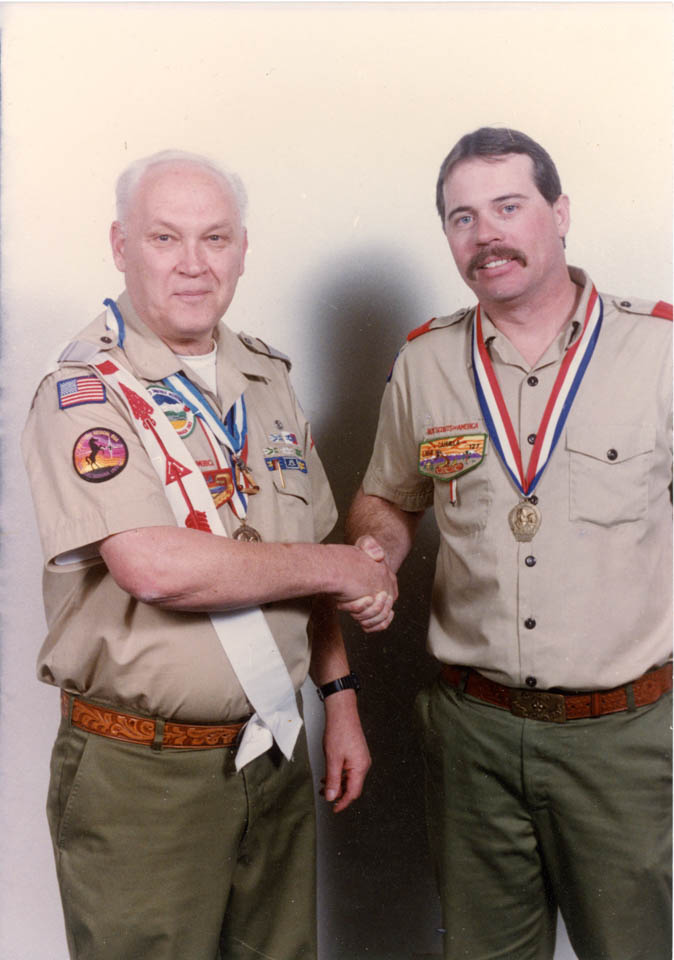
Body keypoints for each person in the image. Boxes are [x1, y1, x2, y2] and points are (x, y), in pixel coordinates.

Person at [22, 149, 397, 960]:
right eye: (165, 238)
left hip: (272, 751)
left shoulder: (266, 379)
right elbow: (156, 567)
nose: (194, 264)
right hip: (141, 772)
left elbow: (309, 552)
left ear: (242, 250)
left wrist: (339, 700)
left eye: (215, 239)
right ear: (121, 247)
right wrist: (343, 568)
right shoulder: (85, 392)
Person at [346, 127, 672, 960]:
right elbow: (386, 495)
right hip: (473, 733)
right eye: (462, 217)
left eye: (508, 207)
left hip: (623, 737)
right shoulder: (426, 363)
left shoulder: (660, 350)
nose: (485, 234)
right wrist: (373, 556)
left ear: (560, 214)